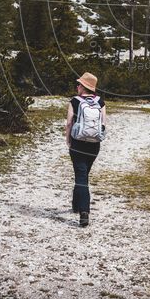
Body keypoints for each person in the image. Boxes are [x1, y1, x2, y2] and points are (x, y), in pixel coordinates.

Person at [65, 72, 106, 227]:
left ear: (83, 86)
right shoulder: (100, 102)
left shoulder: (74, 101)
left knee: (81, 175)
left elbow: (69, 123)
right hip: (94, 145)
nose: (77, 86)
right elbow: (103, 124)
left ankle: (84, 212)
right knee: (83, 174)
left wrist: (68, 139)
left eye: (79, 84)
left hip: (78, 143)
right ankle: (76, 205)